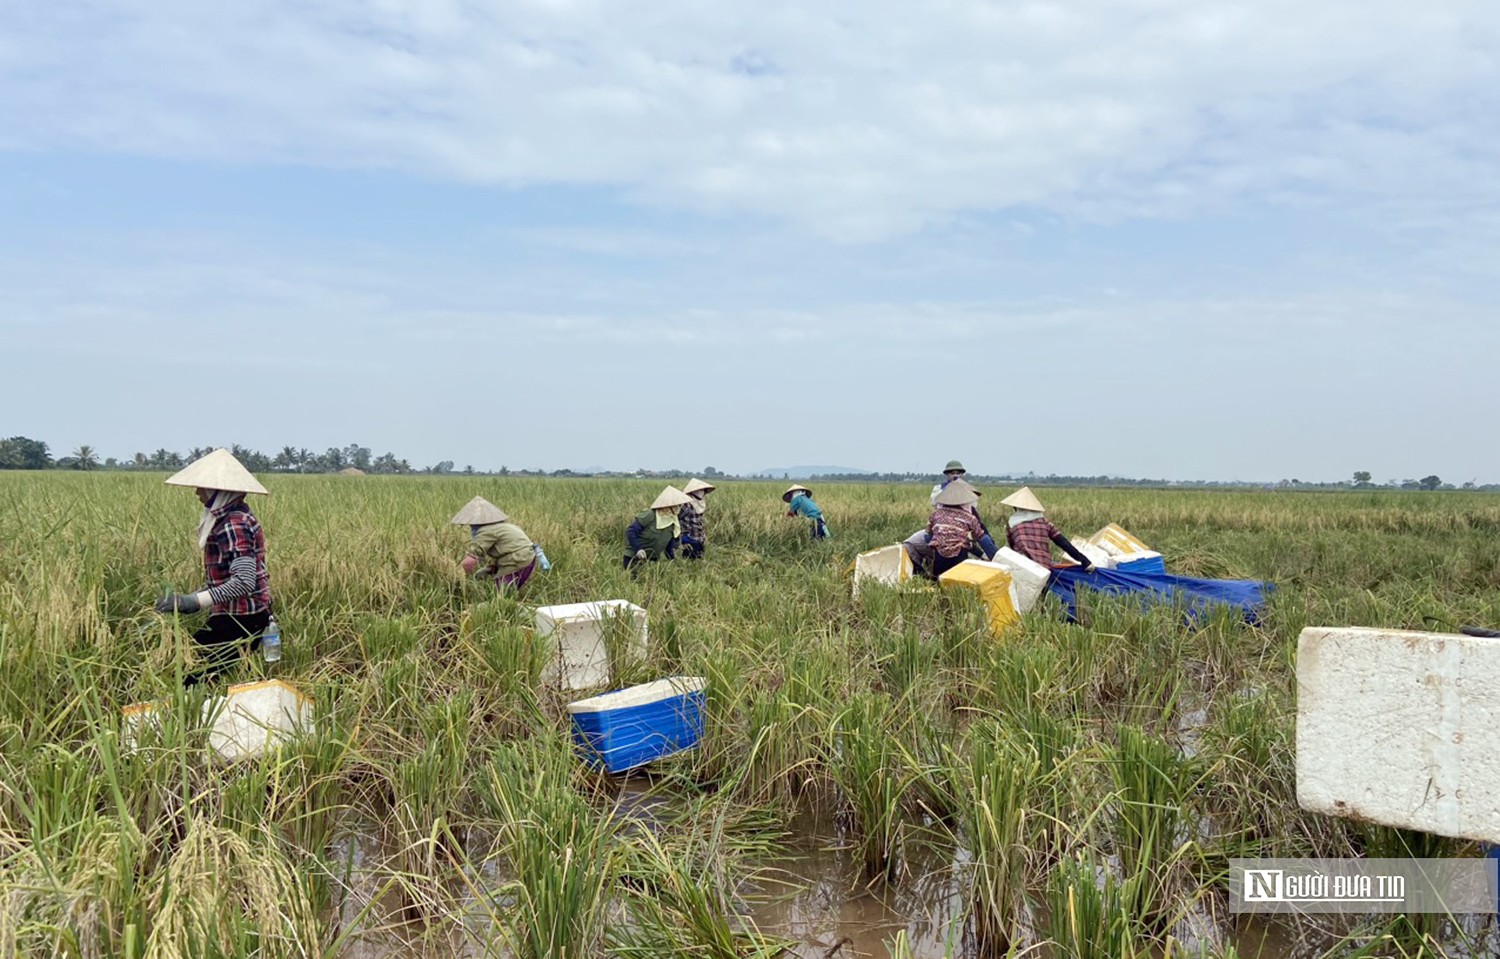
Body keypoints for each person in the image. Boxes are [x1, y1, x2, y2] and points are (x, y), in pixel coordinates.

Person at [152, 448, 273, 686]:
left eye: (202, 487)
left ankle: (191, 719)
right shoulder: (231, 517)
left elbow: (244, 582)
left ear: (220, 491)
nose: (197, 492)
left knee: (189, 676)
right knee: (201, 675)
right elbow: (227, 579)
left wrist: (194, 601)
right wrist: (191, 598)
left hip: (241, 620)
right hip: (239, 616)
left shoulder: (234, 523)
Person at [452, 495, 537, 594]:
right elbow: (507, 549)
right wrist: (491, 568)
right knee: (509, 592)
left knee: (500, 597)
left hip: (517, 560)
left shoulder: (486, 531)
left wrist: (456, 577)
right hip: (528, 559)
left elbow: (470, 561)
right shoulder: (506, 526)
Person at [1001, 486, 1095, 571]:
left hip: (1023, 567)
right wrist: (1084, 560)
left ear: (1016, 508)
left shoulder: (1012, 524)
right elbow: (1063, 543)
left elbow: (1013, 548)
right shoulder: (1045, 522)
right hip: (1045, 568)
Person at [927, 480, 988, 576]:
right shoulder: (969, 517)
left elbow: (929, 531)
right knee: (959, 579)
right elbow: (979, 534)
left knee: (937, 580)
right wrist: (969, 538)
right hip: (959, 554)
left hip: (939, 554)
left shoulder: (935, 514)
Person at [625, 486, 692, 571]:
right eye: (677, 505)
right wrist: (638, 549)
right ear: (669, 505)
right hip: (634, 556)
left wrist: (674, 562)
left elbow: (668, 546)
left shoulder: (673, 521)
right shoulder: (650, 515)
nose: (679, 508)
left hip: (652, 561)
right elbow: (631, 531)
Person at [679, 478, 716, 559]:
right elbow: (679, 518)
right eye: (700, 490)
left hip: (699, 536)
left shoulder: (701, 502)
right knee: (689, 559)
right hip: (689, 537)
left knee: (697, 559)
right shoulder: (686, 504)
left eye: (703, 490)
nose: (702, 492)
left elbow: (700, 520)